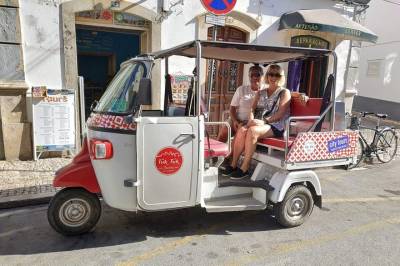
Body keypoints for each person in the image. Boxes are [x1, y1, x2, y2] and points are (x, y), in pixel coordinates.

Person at [222, 64, 291, 179]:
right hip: (260, 122)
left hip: (275, 125)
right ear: (267, 76)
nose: (273, 77)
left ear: (281, 77)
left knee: (252, 131)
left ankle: (244, 168)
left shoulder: (284, 92)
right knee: (243, 129)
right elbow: (252, 109)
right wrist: (251, 119)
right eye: (270, 74)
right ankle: (233, 164)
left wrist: (263, 121)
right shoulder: (261, 92)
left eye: (277, 75)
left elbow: (280, 114)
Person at [217, 65, 264, 143]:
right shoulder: (241, 89)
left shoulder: (266, 90)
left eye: (257, 75)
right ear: (249, 77)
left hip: (253, 121)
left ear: (262, 76)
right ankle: (215, 153)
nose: (254, 77)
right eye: (252, 75)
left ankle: (232, 154)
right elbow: (232, 108)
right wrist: (235, 121)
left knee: (241, 131)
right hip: (237, 119)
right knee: (224, 132)